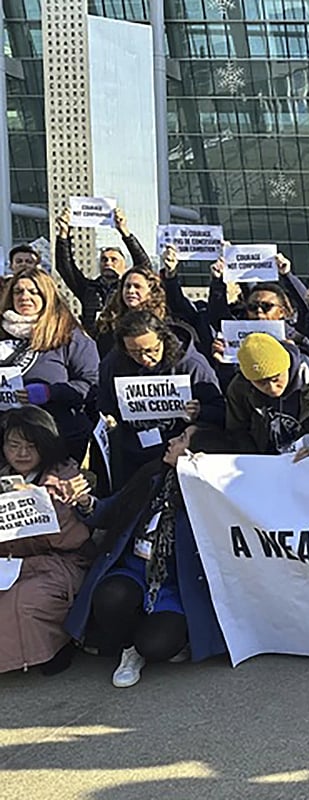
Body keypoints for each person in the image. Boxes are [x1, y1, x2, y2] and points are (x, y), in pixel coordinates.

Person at [62, 425, 228, 688]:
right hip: (135, 570)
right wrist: (86, 503)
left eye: (182, 439)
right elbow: (110, 510)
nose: (171, 441)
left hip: (176, 587)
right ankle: (128, 648)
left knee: (157, 645)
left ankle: (165, 637)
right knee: (111, 596)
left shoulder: (210, 499)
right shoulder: (152, 475)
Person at [0, 407, 94, 675]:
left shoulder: (67, 476)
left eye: (31, 446)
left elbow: (74, 535)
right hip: (9, 563)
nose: (22, 453)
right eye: (14, 445)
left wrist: (42, 500)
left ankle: (54, 647)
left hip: (59, 562)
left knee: (25, 601)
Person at [97, 312, 224, 487]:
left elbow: (220, 411)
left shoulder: (193, 365)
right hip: (130, 450)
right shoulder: (113, 364)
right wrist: (109, 417)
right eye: (134, 352)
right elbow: (104, 402)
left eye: (151, 350)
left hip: (174, 451)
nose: (144, 358)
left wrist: (200, 412)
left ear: (164, 339)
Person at [0, 268, 100, 462]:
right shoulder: (2, 332)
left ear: (47, 296)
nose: (24, 297)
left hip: (56, 438)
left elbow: (92, 383)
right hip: (6, 441)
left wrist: (50, 393)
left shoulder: (69, 335)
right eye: (18, 291)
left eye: (33, 292)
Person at [225, 333, 309, 458]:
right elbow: (237, 431)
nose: (272, 388)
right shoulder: (239, 388)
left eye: (276, 379)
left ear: (287, 367)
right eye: (260, 383)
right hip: (265, 458)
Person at [53, 206, 151, 334]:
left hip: (121, 339)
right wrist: (64, 233)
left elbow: (144, 267)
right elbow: (65, 267)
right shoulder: (88, 289)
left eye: (114, 260)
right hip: (93, 340)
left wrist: (124, 232)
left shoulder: (126, 290)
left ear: (125, 266)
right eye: (104, 260)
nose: (108, 263)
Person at [93, 266, 172, 358]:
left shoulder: (161, 323)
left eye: (137, 286)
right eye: (127, 286)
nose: (131, 291)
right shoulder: (109, 321)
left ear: (151, 292)